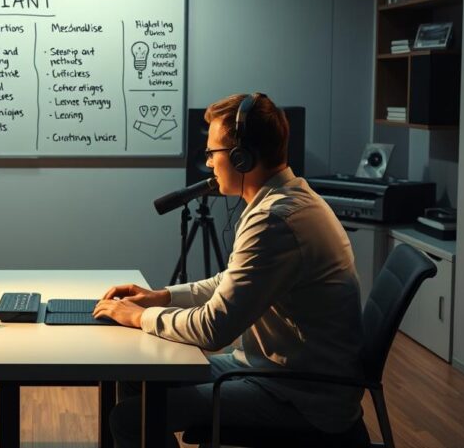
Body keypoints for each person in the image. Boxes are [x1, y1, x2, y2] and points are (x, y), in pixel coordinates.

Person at [94, 93, 364, 447]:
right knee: (139, 376)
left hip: (300, 397)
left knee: (130, 419)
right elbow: (231, 281)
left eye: (212, 153)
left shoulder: (275, 219)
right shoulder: (287, 198)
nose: (208, 163)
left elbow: (213, 329)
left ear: (241, 157)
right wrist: (161, 297)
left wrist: (138, 317)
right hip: (272, 371)